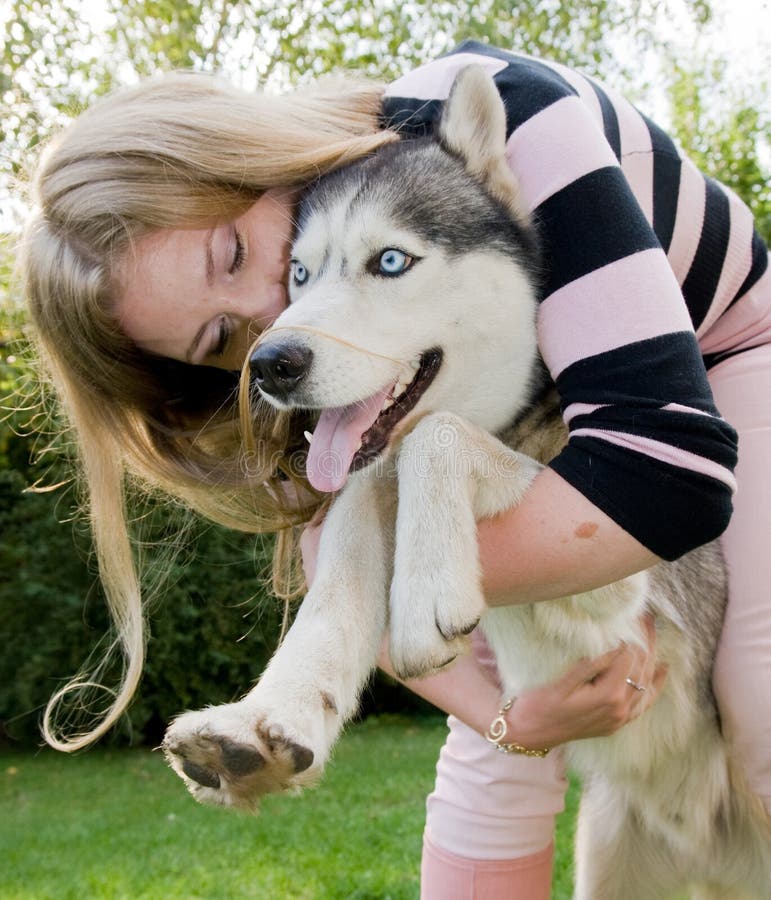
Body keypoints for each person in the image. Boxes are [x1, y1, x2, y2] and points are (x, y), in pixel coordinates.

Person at [21, 40, 769, 898]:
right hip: (534, 422)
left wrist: (408, 538)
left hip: (724, 360)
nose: (273, 321)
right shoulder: (347, 344)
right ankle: (290, 708)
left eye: (233, 257)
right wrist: (509, 720)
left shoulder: (494, 118)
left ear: (241, 160)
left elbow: (664, 469)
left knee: (760, 693)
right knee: (495, 743)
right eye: (221, 340)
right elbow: (378, 564)